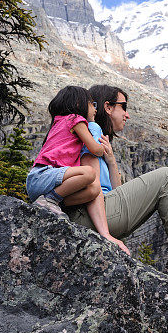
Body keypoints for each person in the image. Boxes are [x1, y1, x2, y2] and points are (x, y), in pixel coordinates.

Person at [69, 84, 168, 294]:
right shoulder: (91, 132)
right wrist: (104, 232)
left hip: (95, 214)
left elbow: (115, 193)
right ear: (107, 107)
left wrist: (112, 162)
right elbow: (91, 184)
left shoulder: (98, 139)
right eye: (123, 107)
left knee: (163, 179)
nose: (127, 115)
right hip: (89, 216)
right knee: (167, 177)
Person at [26, 85, 130, 255]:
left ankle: (52, 200)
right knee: (89, 174)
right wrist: (104, 148)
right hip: (44, 175)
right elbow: (94, 149)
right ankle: (50, 200)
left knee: (92, 188)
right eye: (91, 104)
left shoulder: (60, 121)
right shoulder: (77, 121)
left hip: (38, 180)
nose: (94, 109)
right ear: (79, 104)